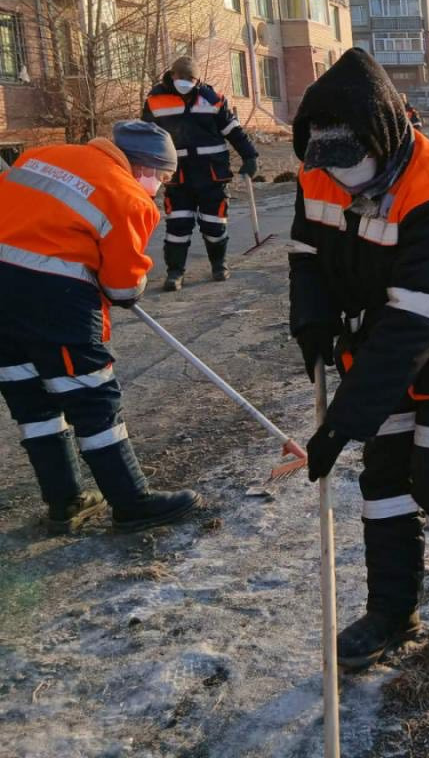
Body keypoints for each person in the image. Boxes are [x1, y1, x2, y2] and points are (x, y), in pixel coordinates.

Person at [289, 49, 429, 670]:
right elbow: (307, 254)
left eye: (353, 166)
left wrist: (340, 424)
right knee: (383, 478)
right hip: (380, 333)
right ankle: (391, 611)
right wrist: (311, 319)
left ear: (382, 139)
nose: (342, 181)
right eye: (329, 167)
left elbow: (415, 323)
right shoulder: (318, 168)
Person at [0, 121, 201, 534]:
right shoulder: (128, 196)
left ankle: (65, 501)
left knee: (30, 397)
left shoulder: (42, 154)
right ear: (143, 168)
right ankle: (131, 502)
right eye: (161, 178)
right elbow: (123, 285)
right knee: (91, 395)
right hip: (53, 301)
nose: (159, 188)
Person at [143, 56, 258, 291]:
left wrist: (250, 156)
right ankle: (175, 273)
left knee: (214, 223)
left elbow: (233, 130)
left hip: (211, 174)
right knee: (178, 226)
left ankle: (219, 265)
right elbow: (145, 136)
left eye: (190, 79)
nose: (185, 82)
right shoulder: (155, 100)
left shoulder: (211, 100)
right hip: (177, 177)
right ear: (171, 75)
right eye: (181, 77)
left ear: (198, 80)